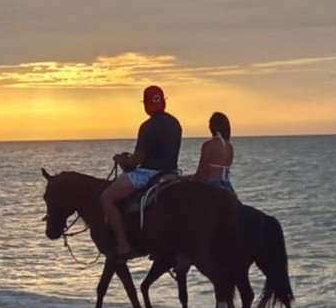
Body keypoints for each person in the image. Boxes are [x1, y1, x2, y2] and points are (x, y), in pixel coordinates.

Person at [100, 85, 182, 259]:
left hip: (148, 174)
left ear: (146, 104)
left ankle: (123, 244)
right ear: (163, 102)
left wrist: (121, 160)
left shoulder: (148, 126)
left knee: (106, 197)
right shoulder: (175, 123)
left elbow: (137, 160)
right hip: (171, 173)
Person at [194, 111, 235, 194]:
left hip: (211, 184)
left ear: (212, 126)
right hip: (227, 185)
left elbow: (201, 171)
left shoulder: (208, 145)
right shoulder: (229, 146)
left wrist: (187, 178)